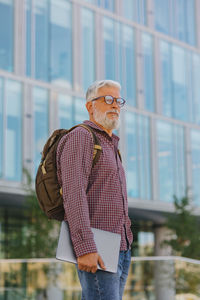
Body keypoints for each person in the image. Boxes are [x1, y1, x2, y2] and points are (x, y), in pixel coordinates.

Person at [56, 80, 133, 300]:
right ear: (90, 106)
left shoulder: (111, 144)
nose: (115, 105)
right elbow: (73, 194)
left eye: (118, 101)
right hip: (97, 246)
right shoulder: (81, 136)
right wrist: (84, 247)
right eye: (108, 99)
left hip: (121, 246)